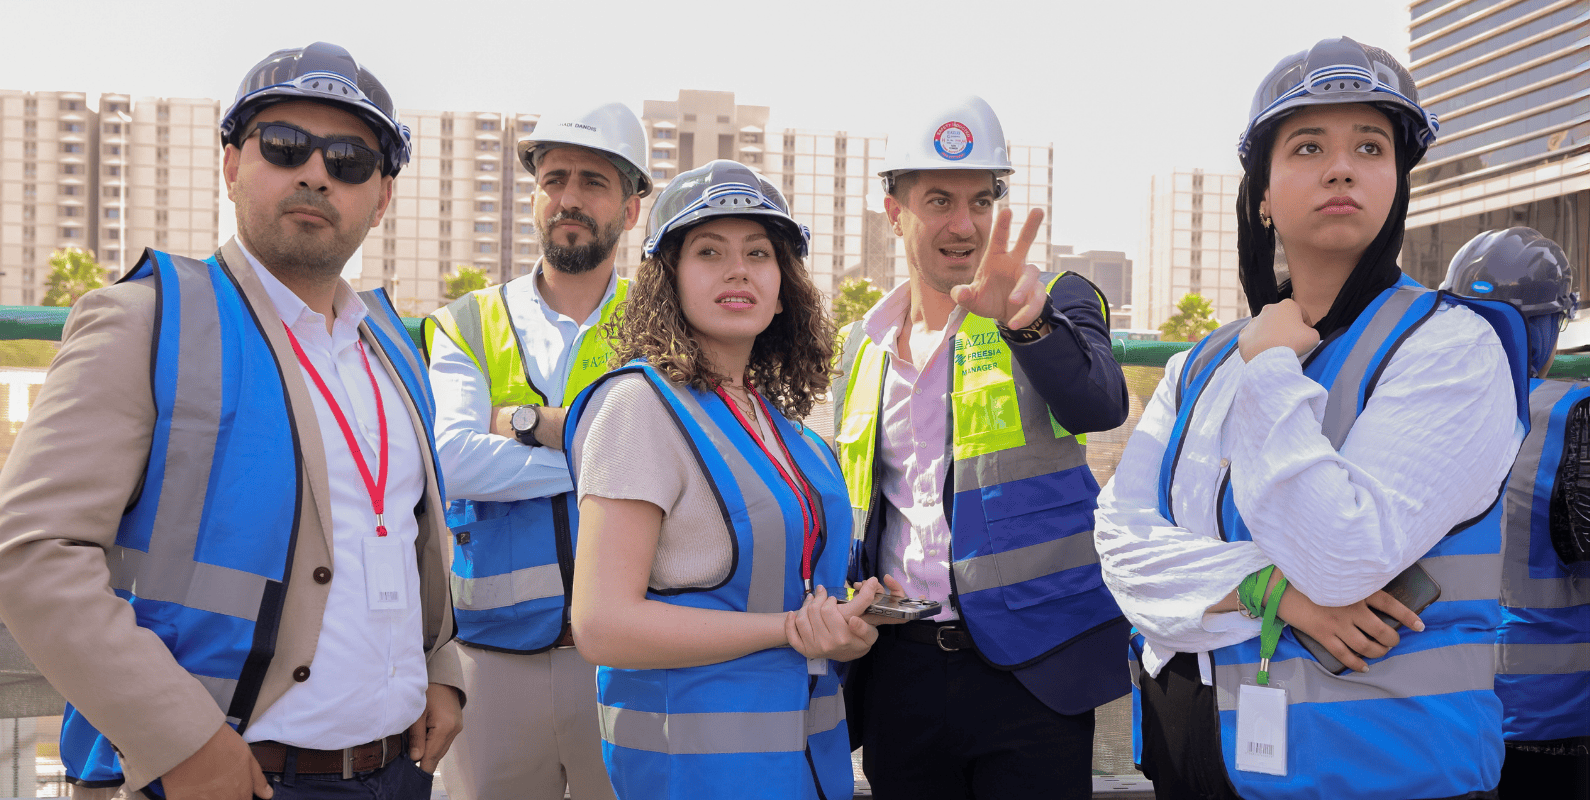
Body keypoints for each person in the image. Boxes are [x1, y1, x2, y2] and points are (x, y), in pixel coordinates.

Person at [0, 42, 462, 800]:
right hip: (218, 777)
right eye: (283, 146)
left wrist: (442, 669)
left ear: (382, 198)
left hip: (398, 770)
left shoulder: (393, 350)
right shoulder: (146, 322)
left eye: (349, 159)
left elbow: (403, 537)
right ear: (233, 165)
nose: (315, 173)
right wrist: (182, 740)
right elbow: (30, 552)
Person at [1095, 37, 1531, 800]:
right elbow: (1122, 547)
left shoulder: (1451, 349)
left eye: (1371, 146)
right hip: (1190, 755)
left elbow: (1342, 553)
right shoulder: (1199, 365)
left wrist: (1269, 370)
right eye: (1307, 146)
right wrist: (1270, 589)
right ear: (1262, 192)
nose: (1341, 167)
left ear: (1397, 182)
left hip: (1385, 767)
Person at [564, 160, 895, 800]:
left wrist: (846, 621)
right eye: (709, 251)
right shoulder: (640, 406)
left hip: (804, 765)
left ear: (782, 281)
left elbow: (782, 579)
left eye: (758, 253)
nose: (738, 269)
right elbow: (602, 624)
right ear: (669, 278)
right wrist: (790, 629)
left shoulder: (779, 421)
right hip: (696, 770)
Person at [831, 95, 1130, 799]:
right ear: (893, 208)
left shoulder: (1054, 300)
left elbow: (1098, 403)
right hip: (899, 670)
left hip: (1033, 675)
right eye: (938, 200)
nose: (963, 225)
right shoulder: (862, 346)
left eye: (980, 199)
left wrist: (1028, 326)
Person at [423, 101, 650, 800]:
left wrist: (520, 421)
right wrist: (612, 464)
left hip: (629, 659)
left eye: (592, 181)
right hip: (490, 664)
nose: (569, 199)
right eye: (554, 180)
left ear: (633, 208)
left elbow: (685, 463)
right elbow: (453, 461)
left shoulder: (664, 330)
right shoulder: (467, 322)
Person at [1441, 228, 1590, 799]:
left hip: (1445, 706)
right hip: (1555, 717)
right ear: (1554, 324)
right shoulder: (1572, 414)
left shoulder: (1405, 404)